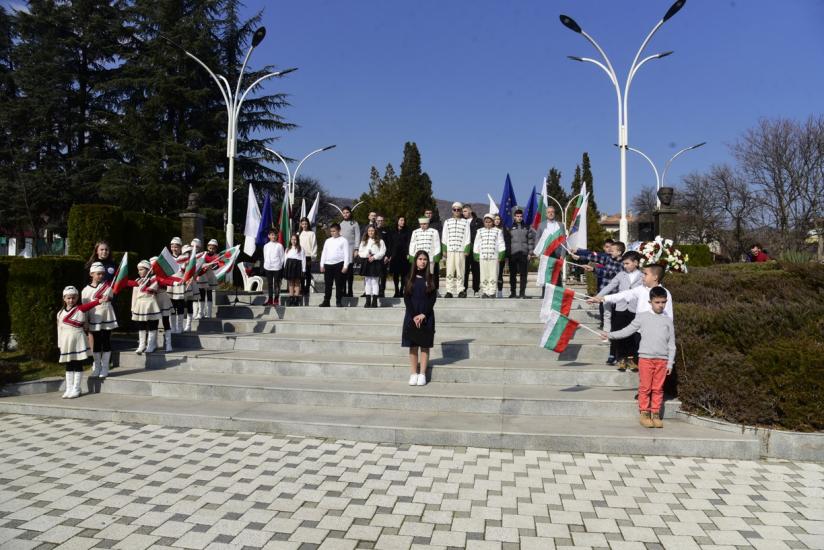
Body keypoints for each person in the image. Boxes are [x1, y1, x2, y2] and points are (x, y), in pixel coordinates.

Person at [604, 286, 675, 429]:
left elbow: (672, 344)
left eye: (663, 302)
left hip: (662, 360)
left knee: (658, 388)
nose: (660, 305)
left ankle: (655, 413)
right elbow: (627, 331)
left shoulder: (667, 321)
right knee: (645, 387)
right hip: (645, 359)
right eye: (657, 302)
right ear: (650, 302)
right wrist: (610, 335)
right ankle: (644, 413)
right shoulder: (642, 317)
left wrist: (670, 363)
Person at [594, 251, 643, 371]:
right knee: (619, 333)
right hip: (620, 308)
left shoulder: (642, 276)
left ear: (636, 263)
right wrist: (597, 297)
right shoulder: (621, 275)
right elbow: (610, 286)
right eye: (624, 263)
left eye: (627, 263)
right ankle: (621, 358)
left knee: (632, 335)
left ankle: (631, 359)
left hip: (634, 309)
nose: (624, 266)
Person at [58, 286, 107, 398]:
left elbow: (88, 306)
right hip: (66, 341)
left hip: (78, 339)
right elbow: (59, 329)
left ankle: (76, 388)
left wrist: (98, 301)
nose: (71, 300)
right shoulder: (60, 313)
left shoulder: (80, 309)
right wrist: (60, 344)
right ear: (64, 298)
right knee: (69, 364)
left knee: (77, 363)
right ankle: (69, 387)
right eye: (68, 298)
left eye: (74, 298)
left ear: (77, 298)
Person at [588, 264, 673, 319]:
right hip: (639, 331)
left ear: (655, 277)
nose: (643, 277)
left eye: (646, 274)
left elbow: (669, 316)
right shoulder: (641, 289)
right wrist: (603, 298)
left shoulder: (665, 293)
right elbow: (624, 295)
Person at [403, 251, 437, 386]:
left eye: (425, 259)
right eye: (420, 259)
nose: (422, 261)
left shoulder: (432, 277)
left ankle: (422, 373)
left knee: (424, 346)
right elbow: (406, 298)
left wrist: (423, 314)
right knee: (412, 346)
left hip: (426, 315)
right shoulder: (408, 277)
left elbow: (433, 299)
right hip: (411, 315)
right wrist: (414, 315)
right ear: (415, 260)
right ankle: (413, 373)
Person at [82, 263, 118, 378]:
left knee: (106, 341)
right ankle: (97, 367)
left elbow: (111, 297)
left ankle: (105, 367)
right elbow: (85, 308)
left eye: (102, 273)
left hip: (106, 317)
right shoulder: (85, 290)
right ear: (91, 274)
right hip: (94, 318)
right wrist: (86, 322)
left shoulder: (107, 287)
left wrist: (109, 297)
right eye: (98, 274)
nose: (101, 276)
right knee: (96, 343)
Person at [126, 260, 162, 354]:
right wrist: (133, 308)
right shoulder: (137, 281)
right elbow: (134, 295)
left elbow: (153, 289)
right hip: (140, 305)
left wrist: (146, 283)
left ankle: (151, 344)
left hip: (151, 304)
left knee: (152, 324)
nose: (139, 272)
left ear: (148, 270)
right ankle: (142, 344)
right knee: (141, 325)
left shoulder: (154, 279)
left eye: (141, 269)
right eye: (138, 270)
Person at [440, 202, 470, 298]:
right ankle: (449, 291)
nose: (456, 211)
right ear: (452, 210)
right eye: (454, 209)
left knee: (460, 271)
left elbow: (467, 237)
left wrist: (466, 249)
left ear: (461, 211)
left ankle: (461, 290)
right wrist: (444, 250)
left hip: (461, 250)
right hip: (450, 250)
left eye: (458, 209)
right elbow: (444, 237)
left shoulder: (465, 222)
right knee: (449, 271)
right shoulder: (447, 222)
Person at [473, 213, 506, 298]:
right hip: (483, 256)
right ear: (484, 222)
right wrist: (476, 254)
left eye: (489, 221)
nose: (488, 223)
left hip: (494, 257)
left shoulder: (498, 231)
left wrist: (501, 254)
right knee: (484, 274)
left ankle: (492, 292)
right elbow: (476, 244)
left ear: (493, 222)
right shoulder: (479, 231)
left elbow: (501, 243)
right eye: (486, 221)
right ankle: (485, 291)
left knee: (493, 274)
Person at [533, 206, 565, 291]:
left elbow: (564, 241)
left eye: (552, 212)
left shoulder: (560, 225)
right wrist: (539, 253)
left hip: (557, 253)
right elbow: (537, 240)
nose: (551, 213)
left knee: (557, 274)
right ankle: (545, 295)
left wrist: (563, 254)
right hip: (545, 254)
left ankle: (557, 294)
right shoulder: (541, 225)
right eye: (549, 212)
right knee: (545, 274)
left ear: (554, 213)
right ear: (546, 214)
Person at [507, 208, 536, 299]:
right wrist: (508, 254)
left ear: (522, 217)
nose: (519, 218)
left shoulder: (527, 227)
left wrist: (530, 253)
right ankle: (513, 293)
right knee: (512, 274)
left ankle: (522, 293)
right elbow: (508, 241)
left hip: (524, 253)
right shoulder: (510, 227)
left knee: (523, 275)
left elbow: (530, 241)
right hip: (513, 254)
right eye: (517, 216)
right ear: (514, 217)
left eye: (520, 216)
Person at [319, 223, 350, 307]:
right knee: (328, 284)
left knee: (339, 284)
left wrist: (345, 266)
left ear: (339, 230)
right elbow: (324, 253)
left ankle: (338, 301)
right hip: (328, 264)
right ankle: (326, 301)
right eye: (331, 231)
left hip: (339, 264)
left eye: (334, 231)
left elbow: (346, 254)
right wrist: (322, 264)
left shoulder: (344, 240)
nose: (332, 233)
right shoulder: (328, 240)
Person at [150, 256, 175, 352]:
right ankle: (153, 344)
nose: (153, 268)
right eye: (152, 266)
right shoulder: (148, 277)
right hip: (153, 299)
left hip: (163, 298)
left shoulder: (163, 276)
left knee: (165, 321)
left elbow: (171, 280)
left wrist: (179, 282)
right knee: (153, 321)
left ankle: (168, 344)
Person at [358, 225, 386, 308]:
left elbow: (382, 252)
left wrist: (374, 257)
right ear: (367, 232)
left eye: (372, 230)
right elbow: (360, 252)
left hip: (376, 262)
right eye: (369, 231)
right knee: (367, 281)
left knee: (375, 281)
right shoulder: (364, 241)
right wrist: (367, 255)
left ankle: (374, 301)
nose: (371, 232)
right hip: (367, 261)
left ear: (375, 231)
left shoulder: (380, 241)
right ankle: (368, 301)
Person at [408, 216, 441, 280]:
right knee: (418, 275)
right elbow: (412, 244)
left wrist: (436, 255)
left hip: (430, 258)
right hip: (418, 258)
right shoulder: (415, 232)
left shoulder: (434, 232)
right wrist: (412, 255)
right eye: (421, 224)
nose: (422, 226)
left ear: (428, 223)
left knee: (430, 275)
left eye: (424, 224)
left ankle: (430, 288)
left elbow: (437, 244)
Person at [168, 237, 189, 333]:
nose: (174, 249)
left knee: (180, 305)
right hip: (170, 284)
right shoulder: (167, 257)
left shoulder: (184, 258)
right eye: (172, 246)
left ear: (180, 248)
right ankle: (172, 327)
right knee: (172, 306)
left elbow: (188, 271)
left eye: (176, 247)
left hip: (180, 283)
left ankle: (179, 327)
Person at [339, 206, 360, 297]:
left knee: (350, 272)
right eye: (344, 213)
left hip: (351, 249)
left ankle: (350, 290)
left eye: (347, 212)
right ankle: (343, 290)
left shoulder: (354, 223)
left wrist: (356, 249)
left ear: (350, 213)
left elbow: (357, 236)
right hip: (342, 251)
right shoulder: (341, 224)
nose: (345, 214)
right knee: (342, 271)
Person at [462, 205, 483, 296]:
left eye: (465, 211)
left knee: (476, 270)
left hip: (475, 249)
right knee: (464, 270)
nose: (464, 213)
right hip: (464, 249)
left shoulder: (478, 221)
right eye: (463, 211)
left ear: (470, 211)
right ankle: (464, 289)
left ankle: (476, 290)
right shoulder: (461, 222)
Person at [388, 216, 411, 297]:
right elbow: (390, 244)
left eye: (404, 220)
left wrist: (408, 253)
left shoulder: (408, 231)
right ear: (397, 221)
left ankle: (402, 290)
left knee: (404, 275)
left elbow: (409, 243)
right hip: (395, 256)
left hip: (404, 256)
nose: (403, 222)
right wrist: (389, 255)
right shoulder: (392, 231)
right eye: (401, 220)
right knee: (395, 274)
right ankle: (396, 290)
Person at [298, 217, 318, 304]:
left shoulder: (312, 233)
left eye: (306, 224)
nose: (304, 225)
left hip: (308, 255)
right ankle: (302, 288)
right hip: (300, 256)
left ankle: (307, 288)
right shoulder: (299, 234)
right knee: (301, 273)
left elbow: (314, 245)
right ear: (301, 225)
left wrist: (313, 256)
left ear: (308, 224)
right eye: (303, 224)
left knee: (308, 273)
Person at [262, 229, 284, 307]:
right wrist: (267, 264)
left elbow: (282, 257)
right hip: (268, 267)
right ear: (269, 236)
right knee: (269, 284)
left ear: (277, 236)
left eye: (275, 235)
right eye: (271, 235)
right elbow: (265, 256)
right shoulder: (266, 246)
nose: (273, 236)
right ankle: (270, 299)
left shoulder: (279, 245)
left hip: (277, 267)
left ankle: (276, 299)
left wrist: (279, 265)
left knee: (277, 284)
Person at [283, 234, 306, 307]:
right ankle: (291, 298)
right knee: (290, 282)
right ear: (290, 240)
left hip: (297, 265)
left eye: (295, 239)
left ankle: (296, 298)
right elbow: (285, 259)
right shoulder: (287, 248)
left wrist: (303, 269)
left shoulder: (301, 249)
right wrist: (285, 268)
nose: (294, 241)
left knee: (297, 282)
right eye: (292, 239)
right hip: (289, 266)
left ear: (298, 240)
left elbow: (303, 259)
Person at [424, 208, 442, 289]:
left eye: (430, 213)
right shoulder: (421, 224)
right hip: (423, 252)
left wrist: (439, 252)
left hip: (434, 252)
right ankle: (424, 287)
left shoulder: (437, 225)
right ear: (424, 214)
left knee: (434, 272)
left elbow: (440, 238)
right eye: (427, 213)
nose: (428, 214)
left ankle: (436, 289)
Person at [375, 215, 391, 298]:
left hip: (383, 257)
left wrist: (387, 256)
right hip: (375, 257)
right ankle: (375, 291)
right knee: (375, 275)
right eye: (378, 220)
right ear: (376, 221)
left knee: (383, 275)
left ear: (384, 221)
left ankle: (382, 291)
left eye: (382, 220)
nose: (380, 222)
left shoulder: (387, 231)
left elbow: (389, 244)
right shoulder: (373, 230)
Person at [493, 214, 508, 298]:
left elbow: (506, 242)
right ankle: (492, 290)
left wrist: (504, 255)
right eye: (495, 219)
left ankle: (500, 291)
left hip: (501, 256)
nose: (497, 221)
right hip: (491, 255)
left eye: (498, 219)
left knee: (499, 274)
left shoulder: (504, 230)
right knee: (492, 274)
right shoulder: (490, 229)